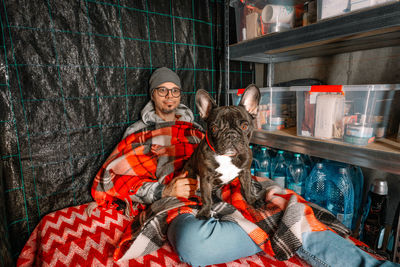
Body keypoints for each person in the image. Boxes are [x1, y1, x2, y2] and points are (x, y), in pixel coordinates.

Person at [94, 67, 398, 267]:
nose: (170, 95)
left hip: (234, 180)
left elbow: (230, 155)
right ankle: (274, 233)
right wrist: (162, 189)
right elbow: (115, 177)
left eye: (175, 89)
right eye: (163, 89)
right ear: (152, 94)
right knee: (193, 244)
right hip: (181, 192)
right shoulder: (139, 132)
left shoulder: (199, 127)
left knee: (288, 204)